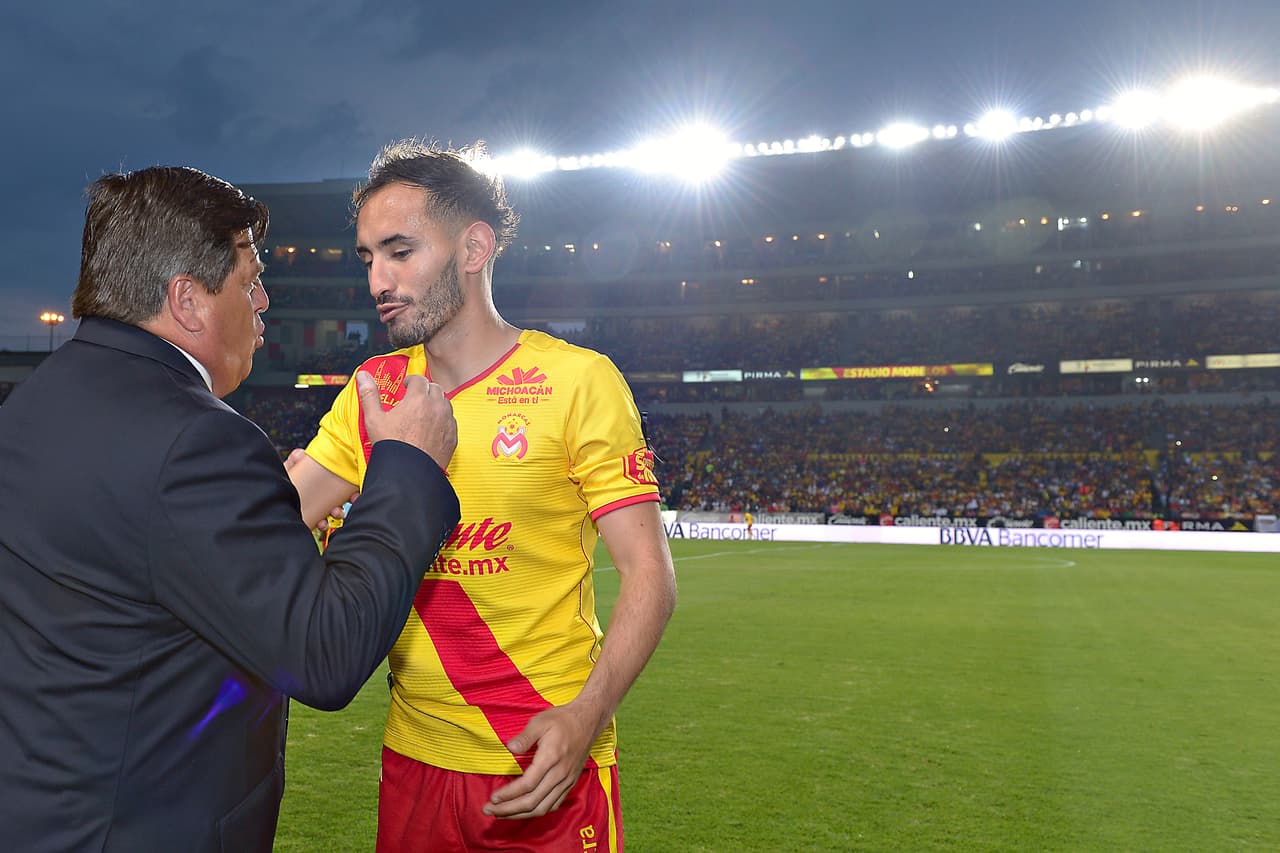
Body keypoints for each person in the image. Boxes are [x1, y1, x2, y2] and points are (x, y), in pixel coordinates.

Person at [0, 166, 461, 853]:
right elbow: (326, 651)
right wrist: (408, 465)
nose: (264, 299)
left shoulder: (36, 402)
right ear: (187, 301)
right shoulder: (196, 439)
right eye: (250, 280)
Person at [288, 140, 678, 852]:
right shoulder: (374, 389)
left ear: (473, 248)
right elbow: (277, 520)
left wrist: (588, 714)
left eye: (399, 251)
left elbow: (651, 574)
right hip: (414, 760)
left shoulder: (579, 382)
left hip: (547, 760)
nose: (378, 279)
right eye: (368, 257)